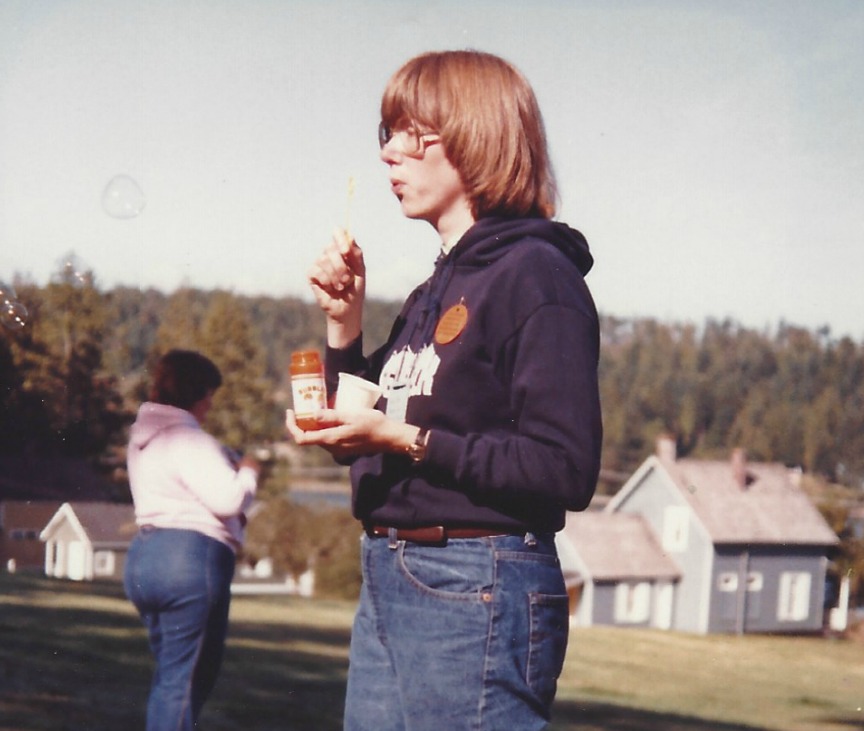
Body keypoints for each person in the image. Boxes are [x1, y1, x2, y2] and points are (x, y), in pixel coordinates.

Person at [288, 50, 602, 731]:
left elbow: (565, 467)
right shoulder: (436, 288)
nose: (389, 153)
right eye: (388, 133)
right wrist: (344, 324)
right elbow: (355, 433)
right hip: (392, 573)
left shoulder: (537, 276)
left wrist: (408, 439)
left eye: (413, 133)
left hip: (475, 581)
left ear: (476, 138)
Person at [124, 349, 259, 731]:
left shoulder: (143, 437)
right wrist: (249, 471)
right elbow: (229, 499)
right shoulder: (188, 438)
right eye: (209, 395)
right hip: (191, 559)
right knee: (186, 683)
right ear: (197, 393)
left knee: (172, 678)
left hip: (145, 557)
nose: (210, 404)